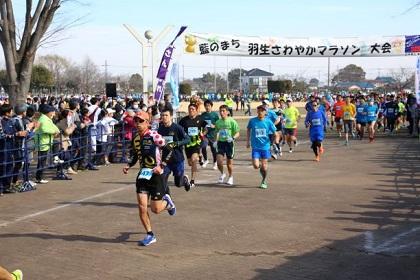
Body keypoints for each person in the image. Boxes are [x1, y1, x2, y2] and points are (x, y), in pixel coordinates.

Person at [122, 111, 176, 246]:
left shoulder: (154, 136)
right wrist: (129, 165)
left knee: (156, 209)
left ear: (148, 123)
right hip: (142, 175)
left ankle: (168, 203)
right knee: (142, 207)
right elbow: (136, 154)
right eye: (136, 121)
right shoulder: (135, 138)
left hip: (156, 175)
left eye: (141, 121)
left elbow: (169, 150)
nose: (138, 124)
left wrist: (162, 165)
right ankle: (150, 234)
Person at [158, 108, 191, 192]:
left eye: (166, 115)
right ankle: (167, 199)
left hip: (177, 159)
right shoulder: (160, 129)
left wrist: (176, 143)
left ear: (171, 117)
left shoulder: (177, 128)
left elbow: (187, 139)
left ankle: (184, 179)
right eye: (162, 115)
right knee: (162, 181)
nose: (164, 117)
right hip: (166, 160)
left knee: (178, 184)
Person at [246, 105, 278, 189]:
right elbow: (248, 129)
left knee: (264, 165)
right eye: (259, 110)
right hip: (255, 147)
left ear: (265, 112)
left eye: (262, 111)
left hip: (265, 147)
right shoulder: (252, 121)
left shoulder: (268, 122)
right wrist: (247, 141)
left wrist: (275, 141)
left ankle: (263, 181)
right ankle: (262, 169)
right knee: (256, 166)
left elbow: (275, 133)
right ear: (257, 111)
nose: (260, 112)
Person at [178, 103, 207, 188]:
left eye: (193, 109)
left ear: (196, 110)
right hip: (187, 144)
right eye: (190, 109)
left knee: (194, 160)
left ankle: (192, 180)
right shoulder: (183, 120)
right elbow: (179, 129)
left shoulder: (200, 119)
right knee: (190, 163)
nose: (191, 111)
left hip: (196, 143)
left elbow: (206, 129)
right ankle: (200, 156)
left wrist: (203, 133)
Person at [214, 105, 240, 185]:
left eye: (223, 111)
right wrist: (216, 141)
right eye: (220, 111)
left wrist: (232, 138)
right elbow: (217, 132)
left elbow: (237, 133)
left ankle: (231, 177)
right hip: (221, 143)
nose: (222, 113)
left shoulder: (232, 121)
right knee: (219, 161)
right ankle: (222, 174)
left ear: (228, 112)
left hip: (229, 143)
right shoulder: (218, 122)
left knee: (229, 163)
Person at [200, 100, 219, 169]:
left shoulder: (215, 115)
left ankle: (215, 162)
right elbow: (200, 124)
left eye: (209, 106)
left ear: (211, 106)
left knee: (213, 149)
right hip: (205, 134)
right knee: (203, 146)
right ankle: (206, 160)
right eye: (206, 106)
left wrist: (214, 126)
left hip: (212, 134)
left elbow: (218, 124)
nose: (207, 107)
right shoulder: (203, 115)